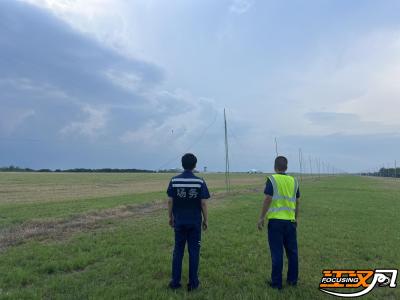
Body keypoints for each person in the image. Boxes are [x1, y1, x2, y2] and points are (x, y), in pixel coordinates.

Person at [167, 153, 210, 291]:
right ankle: (193, 283)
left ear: (182, 164)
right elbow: (203, 203)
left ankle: (175, 282)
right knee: (194, 252)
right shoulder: (200, 182)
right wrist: (206, 220)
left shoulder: (174, 181)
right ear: (195, 165)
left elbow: (170, 200)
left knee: (178, 251)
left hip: (179, 222)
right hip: (194, 223)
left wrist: (170, 217)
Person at [257, 156, 300, 290]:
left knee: (277, 252)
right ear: (286, 167)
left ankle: (276, 283)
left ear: (275, 167)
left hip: (276, 222)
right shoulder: (294, 181)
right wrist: (296, 217)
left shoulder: (272, 179)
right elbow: (297, 201)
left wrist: (261, 217)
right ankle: (292, 280)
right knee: (292, 252)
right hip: (290, 221)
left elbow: (268, 198)